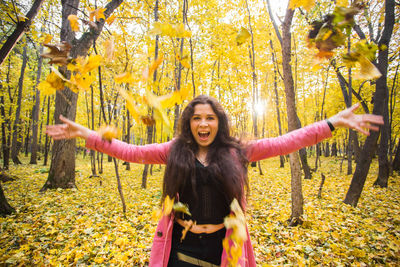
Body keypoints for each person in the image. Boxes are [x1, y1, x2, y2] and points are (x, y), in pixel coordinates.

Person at [46, 95, 383, 267]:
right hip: (180, 245)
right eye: (197, 118)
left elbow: (287, 141)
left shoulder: (239, 151)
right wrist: (88, 135)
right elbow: (130, 151)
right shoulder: (174, 150)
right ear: (189, 123)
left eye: (209, 118)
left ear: (219, 122)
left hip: (224, 247)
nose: (203, 124)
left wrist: (331, 124)